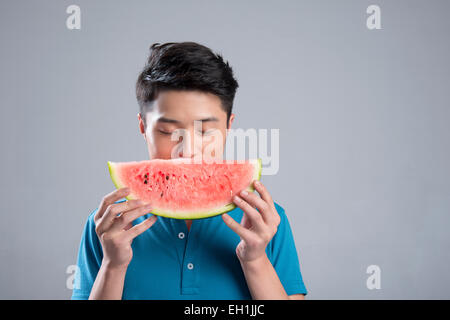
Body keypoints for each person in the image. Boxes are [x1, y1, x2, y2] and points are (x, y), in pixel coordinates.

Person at [71, 42, 307, 300]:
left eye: (205, 131)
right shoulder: (109, 224)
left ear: (229, 126)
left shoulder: (267, 221)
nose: (187, 150)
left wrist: (255, 260)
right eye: (168, 132)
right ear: (142, 127)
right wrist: (113, 265)